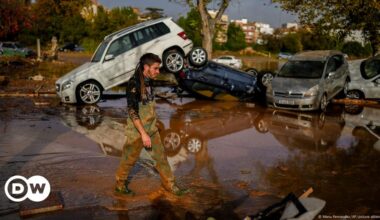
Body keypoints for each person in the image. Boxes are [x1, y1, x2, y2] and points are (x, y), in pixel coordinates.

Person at [115, 53, 186, 196]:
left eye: (158, 68)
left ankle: (170, 185)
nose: (158, 72)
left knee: (161, 159)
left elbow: (149, 105)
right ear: (146, 67)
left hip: (151, 129)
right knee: (129, 160)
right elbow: (132, 111)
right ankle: (120, 185)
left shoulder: (149, 81)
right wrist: (143, 134)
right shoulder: (133, 84)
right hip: (137, 131)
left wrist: (154, 126)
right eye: (155, 68)